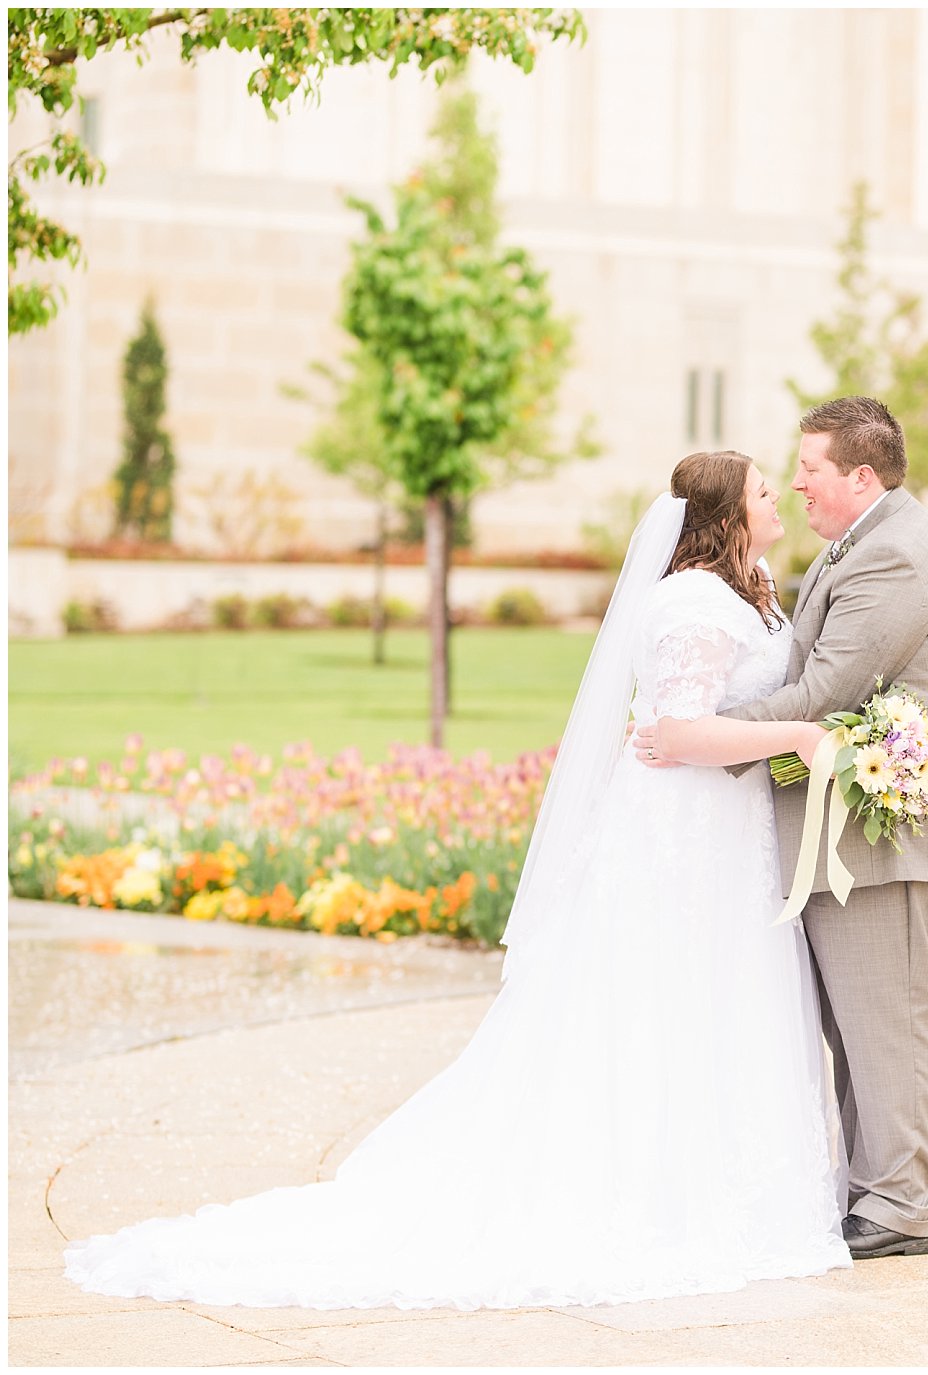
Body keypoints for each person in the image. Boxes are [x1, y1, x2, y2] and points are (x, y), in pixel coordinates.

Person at [65, 451, 853, 1310]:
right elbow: (675, 730)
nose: (779, 499)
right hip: (682, 832)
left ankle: (727, 1173)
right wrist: (799, 739)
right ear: (727, 515)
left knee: (718, 993)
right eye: (765, 491)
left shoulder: (752, 587)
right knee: (662, 995)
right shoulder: (691, 604)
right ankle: (657, 1191)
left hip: (725, 832)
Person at [635, 396, 928, 1260]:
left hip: (890, 833)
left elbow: (825, 693)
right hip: (852, 829)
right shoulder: (867, 542)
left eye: (810, 470)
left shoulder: (897, 558)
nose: (796, 483)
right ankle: (871, 1192)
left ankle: (899, 1204)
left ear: (861, 476)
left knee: (890, 1018)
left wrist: (699, 741)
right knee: (860, 1023)